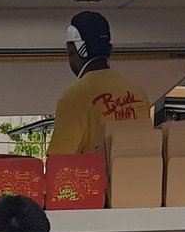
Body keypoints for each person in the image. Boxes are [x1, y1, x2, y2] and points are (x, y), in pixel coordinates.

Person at [49, 11, 152, 156]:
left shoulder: (74, 97)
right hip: (140, 171)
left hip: (96, 172)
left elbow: (59, 162)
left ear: (70, 49)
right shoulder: (137, 91)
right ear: (109, 49)